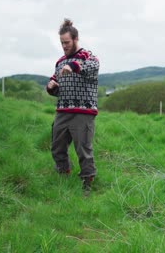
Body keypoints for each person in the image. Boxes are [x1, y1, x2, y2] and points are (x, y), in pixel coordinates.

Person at [46, 18, 100, 196]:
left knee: (83, 149)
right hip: (62, 111)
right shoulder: (60, 62)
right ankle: (63, 175)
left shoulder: (89, 57)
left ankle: (87, 182)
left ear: (76, 39)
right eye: (62, 43)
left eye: (67, 42)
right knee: (57, 147)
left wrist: (74, 65)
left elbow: (91, 67)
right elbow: (56, 83)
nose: (64, 46)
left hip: (83, 113)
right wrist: (51, 87)